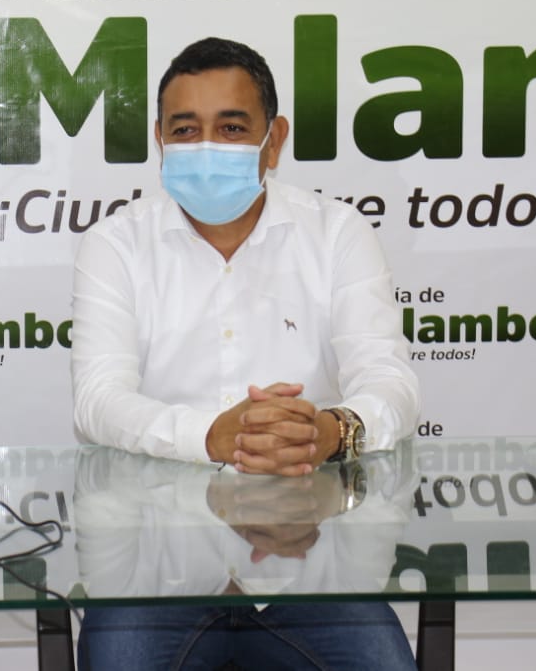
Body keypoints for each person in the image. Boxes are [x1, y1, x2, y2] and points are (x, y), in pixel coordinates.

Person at [70, 36, 419, 670]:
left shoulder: (337, 234)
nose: (206, 146)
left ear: (273, 140)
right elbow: (98, 401)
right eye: (185, 129)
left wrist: (328, 431)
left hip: (313, 566)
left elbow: (390, 383)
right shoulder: (115, 244)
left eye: (232, 128)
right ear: (159, 140)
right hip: (155, 574)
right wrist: (212, 435)